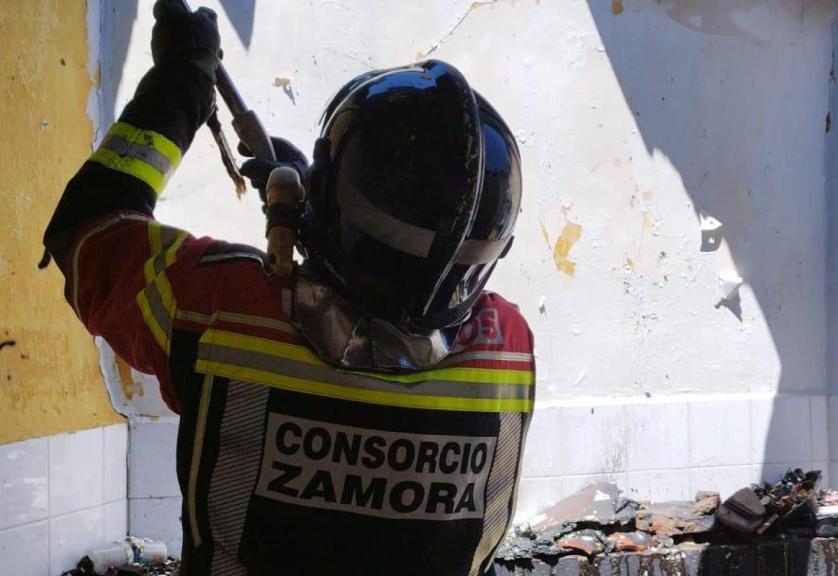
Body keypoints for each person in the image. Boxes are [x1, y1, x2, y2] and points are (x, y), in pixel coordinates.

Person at [42, 2, 533, 574]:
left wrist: (181, 86)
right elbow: (405, 292)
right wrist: (323, 230)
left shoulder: (218, 310)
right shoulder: (507, 351)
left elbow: (88, 231)